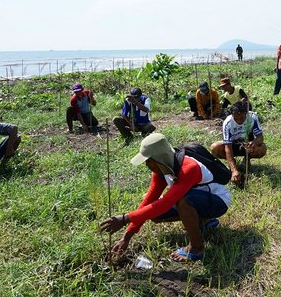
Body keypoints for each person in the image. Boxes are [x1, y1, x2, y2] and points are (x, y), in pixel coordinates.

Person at [99, 133, 231, 262]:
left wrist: (124, 219)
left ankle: (196, 248)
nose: (146, 165)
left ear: (158, 158)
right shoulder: (161, 171)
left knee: (183, 199)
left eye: (148, 161)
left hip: (218, 202)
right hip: (199, 201)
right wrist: (126, 237)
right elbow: (148, 202)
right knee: (153, 213)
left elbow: (167, 202)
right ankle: (204, 221)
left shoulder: (189, 167)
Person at [210, 101, 267, 186]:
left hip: (247, 146)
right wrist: (234, 170)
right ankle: (233, 163)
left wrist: (254, 142)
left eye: (241, 118)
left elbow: (260, 137)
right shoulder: (228, 123)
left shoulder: (252, 117)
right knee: (215, 148)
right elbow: (228, 147)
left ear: (246, 113)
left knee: (262, 149)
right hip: (233, 147)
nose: (239, 121)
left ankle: (246, 160)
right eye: (236, 118)